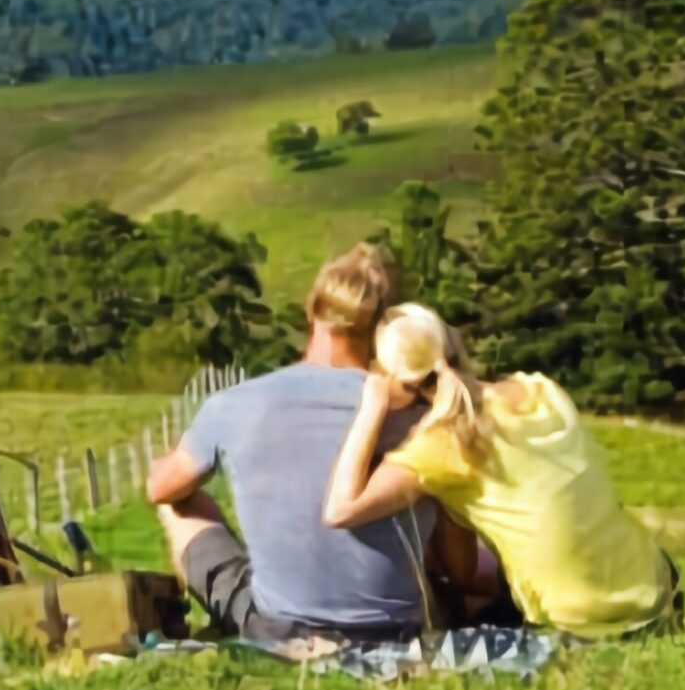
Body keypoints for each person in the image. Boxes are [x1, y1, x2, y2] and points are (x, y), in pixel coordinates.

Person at [146, 243, 476, 645]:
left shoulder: (234, 403)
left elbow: (159, 489)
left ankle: (237, 614)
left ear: (310, 308)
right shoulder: (424, 415)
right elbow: (462, 570)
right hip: (400, 629)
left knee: (180, 502)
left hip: (282, 629)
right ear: (384, 327)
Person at [322, 304, 679, 641]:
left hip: (575, 621)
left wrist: (372, 406)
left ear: (393, 378)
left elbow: (341, 510)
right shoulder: (541, 390)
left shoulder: (439, 445)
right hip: (655, 591)